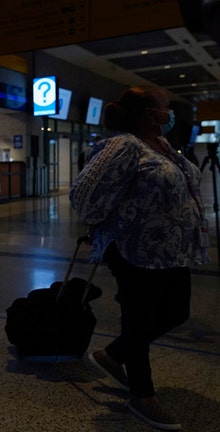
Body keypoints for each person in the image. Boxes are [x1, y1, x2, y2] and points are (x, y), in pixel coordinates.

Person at [69, 85, 210, 431]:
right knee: (139, 318)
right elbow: (83, 195)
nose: (170, 112)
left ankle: (114, 355)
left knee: (177, 311)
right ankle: (142, 395)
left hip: (170, 251)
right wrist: (108, 223)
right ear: (150, 113)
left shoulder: (160, 144)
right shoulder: (124, 146)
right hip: (135, 249)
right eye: (166, 107)